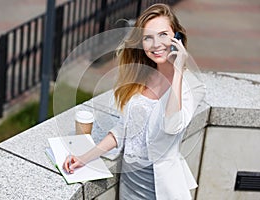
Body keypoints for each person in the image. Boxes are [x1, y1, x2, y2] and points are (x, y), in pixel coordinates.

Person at [63, 3, 206, 200]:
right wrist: (85, 157)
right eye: (148, 37)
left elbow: (172, 126)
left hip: (160, 191)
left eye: (163, 34)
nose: (156, 44)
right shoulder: (142, 76)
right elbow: (124, 129)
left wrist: (178, 71)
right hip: (130, 186)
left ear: (177, 37)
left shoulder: (191, 86)